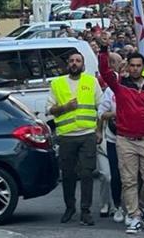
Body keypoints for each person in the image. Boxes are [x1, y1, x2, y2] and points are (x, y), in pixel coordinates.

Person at [100, 50, 144, 234]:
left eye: (139, 65)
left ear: (143, 67)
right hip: (125, 140)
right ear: (127, 66)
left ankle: (143, 206)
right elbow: (105, 72)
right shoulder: (120, 86)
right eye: (133, 65)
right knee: (129, 181)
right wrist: (104, 51)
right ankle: (134, 217)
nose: (136, 68)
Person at [47, 51, 102, 226]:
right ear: (67, 64)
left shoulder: (91, 82)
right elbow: (49, 109)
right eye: (71, 61)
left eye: (78, 61)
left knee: (87, 173)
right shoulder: (57, 83)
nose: (74, 63)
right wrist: (65, 107)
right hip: (66, 136)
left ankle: (85, 211)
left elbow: (101, 107)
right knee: (69, 175)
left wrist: (99, 131)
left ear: (83, 64)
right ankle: (69, 207)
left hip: (87, 134)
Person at [97, 53, 124, 223]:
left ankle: (133, 206)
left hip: (131, 137)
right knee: (112, 174)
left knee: (130, 175)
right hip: (112, 138)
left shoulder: (133, 86)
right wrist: (115, 114)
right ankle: (116, 205)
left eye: (117, 63)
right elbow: (101, 113)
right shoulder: (109, 90)